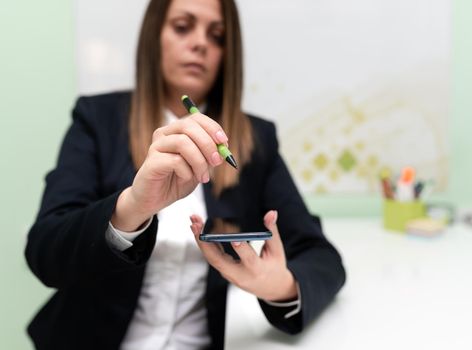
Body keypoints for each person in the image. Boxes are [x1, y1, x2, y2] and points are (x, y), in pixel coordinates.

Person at [24, 0, 346, 348]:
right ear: (154, 37)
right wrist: (132, 206)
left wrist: (278, 286)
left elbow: (323, 258)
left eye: (217, 35)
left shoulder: (256, 139)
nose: (200, 43)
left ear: (228, 54)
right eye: (182, 26)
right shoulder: (97, 120)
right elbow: (45, 252)